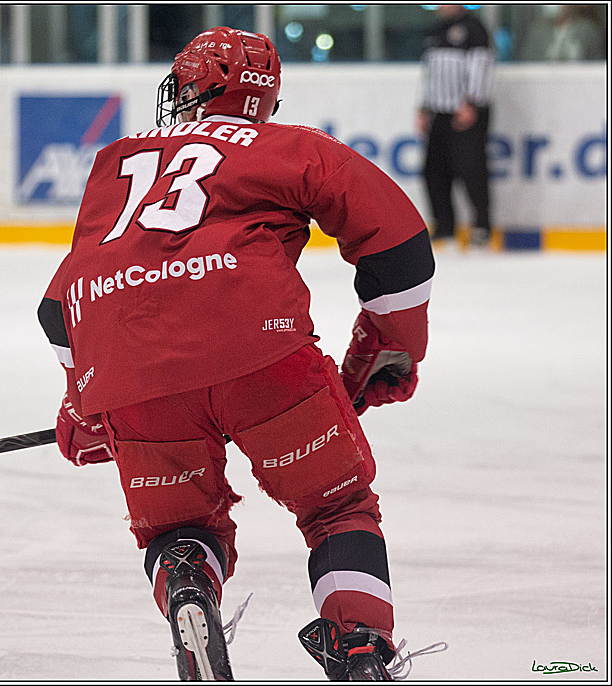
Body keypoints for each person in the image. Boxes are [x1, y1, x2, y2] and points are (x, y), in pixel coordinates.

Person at [38, 27, 439, 680]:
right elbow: (399, 245)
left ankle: (188, 584)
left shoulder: (117, 158)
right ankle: (359, 643)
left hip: (129, 365)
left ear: (189, 90)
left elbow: (59, 308)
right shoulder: (295, 146)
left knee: (179, 527)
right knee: (336, 508)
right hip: (262, 351)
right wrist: (387, 346)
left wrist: (84, 404)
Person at [417, 5, 495, 251]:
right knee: (434, 171)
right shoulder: (435, 29)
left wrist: (472, 102)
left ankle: (482, 226)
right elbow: (429, 72)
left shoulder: (474, 28)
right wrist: (423, 107)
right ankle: (444, 227)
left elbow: (481, 66)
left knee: (471, 170)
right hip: (438, 111)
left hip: (466, 111)